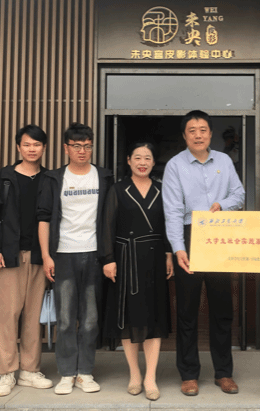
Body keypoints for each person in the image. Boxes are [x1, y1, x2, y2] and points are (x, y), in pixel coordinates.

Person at [162, 110, 245, 396]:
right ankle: (189, 374)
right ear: (184, 136)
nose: (198, 135)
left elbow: (239, 195)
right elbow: (172, 210)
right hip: (189, 236)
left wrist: (222, 204)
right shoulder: (175, 165)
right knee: (187, 310)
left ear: (210, 134)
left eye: (203, 130)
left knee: (222, 308)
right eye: (192, 130)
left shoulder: (224, 161)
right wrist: (178, 248)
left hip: (219, 236)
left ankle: (224, 373)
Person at [37, 122, 114, 395]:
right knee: (66, 318)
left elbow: (110, 218)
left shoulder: (103, 177)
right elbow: (44, 219)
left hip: (94, 254)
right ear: (66, 148)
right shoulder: (54, 178)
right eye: (77, 146)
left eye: (87, 146)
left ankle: (85, 372)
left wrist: (108, 255)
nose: (83, 151)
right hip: (64, 255)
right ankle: (67, 373)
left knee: (91, 318)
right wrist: (46, 256)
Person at [0, 124, 53, 396]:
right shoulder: (4, 177)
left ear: (44, 148)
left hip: (38, 255)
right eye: (27, 144)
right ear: (18, 147)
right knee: (7, 315)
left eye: (36, 144)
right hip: (8, 255)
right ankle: (6, 372)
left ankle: (29, 370)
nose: (31, 149)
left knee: (33, 316)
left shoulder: (49, 178)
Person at [102, 142, 174, 401]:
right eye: (138, 157)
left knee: (153, 317)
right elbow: (107, 225)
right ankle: (134, 374)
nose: (143, 162)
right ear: (129, 160)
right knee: (130, 318)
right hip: (126, 258)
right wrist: (108, 259)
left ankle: (150, 377)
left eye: (147, 158)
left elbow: (169, 224)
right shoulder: (118, 189)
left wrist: (169, 253)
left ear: (154, 162)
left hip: (155, 258)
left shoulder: (162, 190)